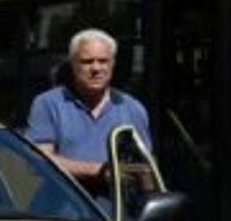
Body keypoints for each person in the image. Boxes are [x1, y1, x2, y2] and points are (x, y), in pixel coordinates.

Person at [25, 29, 153, 196]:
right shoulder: (48, 104)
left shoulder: (132, 108)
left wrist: (154, 203)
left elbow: (144, 168)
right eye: (87, 61)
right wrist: (99, 170)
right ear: (73, 64)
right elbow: (39, 160)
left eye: (103, 61)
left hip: (119, 215)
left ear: (113, 64)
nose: (96, 68)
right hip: (65, 214)